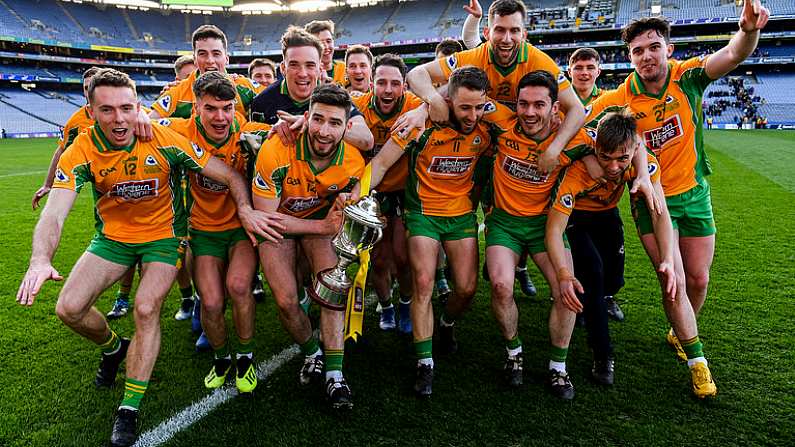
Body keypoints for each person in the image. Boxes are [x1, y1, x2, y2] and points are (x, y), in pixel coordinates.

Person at [16, 69, 281, 447]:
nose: (119, 118)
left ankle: (129, 408)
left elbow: (228, 175)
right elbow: (55, 212)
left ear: (137, 107)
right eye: (107, 110)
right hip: (112, 240)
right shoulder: (81, 150)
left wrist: (244, 208)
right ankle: (114, 348)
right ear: (90, 113)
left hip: (164, 238)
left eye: (126, 108)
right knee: (69, 309)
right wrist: (41, 259)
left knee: (145, 307)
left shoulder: (163, 138)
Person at [586, 2, 769, 397]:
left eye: (653, 46)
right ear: (630, 57)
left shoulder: (687, 78)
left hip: (694, 194)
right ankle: (697, 359)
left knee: (698, 279)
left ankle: (679, 330)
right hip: (650, 202)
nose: (646, 55)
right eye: (637, 50)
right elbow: (580, 122)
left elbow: (734, 53)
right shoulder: (621, 98)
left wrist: (748, 30)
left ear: (668, 49)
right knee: (674, 278)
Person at [354, 67, 496, 397]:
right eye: (464, 108)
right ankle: (424, 363)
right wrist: (353, 194)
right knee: (422, 283)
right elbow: (382, 163)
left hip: (460, 215)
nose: (472, 115)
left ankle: (445, 325)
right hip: (422, 214)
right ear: (448, 100)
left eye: (478, 107)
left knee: (466, 289)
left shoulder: (490, 124)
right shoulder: (419, 124)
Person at [158, 71, 273, 393]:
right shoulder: (180, 130)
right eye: (211, 108)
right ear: (196, 108)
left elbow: (283, 131)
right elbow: (147, 121)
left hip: (240, 228)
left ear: (235, 107)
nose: (220, 117)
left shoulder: (247, 131)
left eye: (226, 108)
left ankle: (246, 357)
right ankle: (223, 358)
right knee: (209, 302)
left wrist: (289, 127)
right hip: (203, 231)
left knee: (239, 287)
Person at [252, 83, 361, 410]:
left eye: (335, 123)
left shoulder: (354, 162)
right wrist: (323, 226)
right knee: (286, 301)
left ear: (346, 128)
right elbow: (266, 219)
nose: (324, 131)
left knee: (332, 289)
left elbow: (353, 203)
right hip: (279, 224)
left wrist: (347, 207)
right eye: (318, 119)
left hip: (317, 225)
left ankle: (335, 375)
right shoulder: (275, 150)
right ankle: (312, 352)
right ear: (306, 118)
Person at [545, 110, 671, 387]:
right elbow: (553, 229)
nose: (613, 167)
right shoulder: (577, 168)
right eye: (605, 157)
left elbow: (661, 214)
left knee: (613, 280)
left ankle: (594, 305)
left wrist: (669, 259)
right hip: (575, 219)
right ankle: (603, 354)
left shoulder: (643, 162)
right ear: (594, 148)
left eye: (622, 159)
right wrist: (564, 273)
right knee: (593, 273)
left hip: (608, 216)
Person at [351, 53, 423, 332]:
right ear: (372, 83)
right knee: (378, 260)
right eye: (382, 82)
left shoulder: (415, 105)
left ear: (404, 86)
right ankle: (387, 306)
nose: (388, 90)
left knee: (404, 258)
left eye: (395, 83)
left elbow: (443, 99)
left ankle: (405, 303)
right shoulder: (358, 107)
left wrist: (426, 108)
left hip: (404, 190)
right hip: (372, 191)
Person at [567, 47, 624, 323]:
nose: (585, 72)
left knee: (613, 256)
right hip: (574, 197)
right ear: (569, 72)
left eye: (590, 67)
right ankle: (577, 301)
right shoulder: (562, 102)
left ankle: (607, 297)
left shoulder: (611, 101)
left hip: (608, 197)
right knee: (582, 257)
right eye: (579, 68)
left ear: (598, 71)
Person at [249, 27, 373, 152]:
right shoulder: (262, 102)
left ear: (320, 69)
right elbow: (254, 146)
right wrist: (270, 131)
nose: (302, 74)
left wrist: (313, 124)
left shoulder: (336, 96)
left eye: (310, 65)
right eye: (294, 65)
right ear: (283, 68)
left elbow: (366, 140)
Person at [150, 25, 257, 119]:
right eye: (202, 54)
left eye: (216, 54)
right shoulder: (177, 92)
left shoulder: (246, 87)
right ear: (195, 60)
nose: (210, 60)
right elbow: (148, 122)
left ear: (226, 59)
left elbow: (272, 94)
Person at [32, 66, 101, 210]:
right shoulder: (75, 122)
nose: (89, 91)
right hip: (101, 179)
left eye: (93, 86)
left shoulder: (125, 110)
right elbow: (61, 151)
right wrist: (47, 185)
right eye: (85, 87)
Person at [304, 20, 347, 85]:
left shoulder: (345, 69)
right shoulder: (303, 76)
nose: (326, 47)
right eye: (320, 43)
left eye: (328, 41)